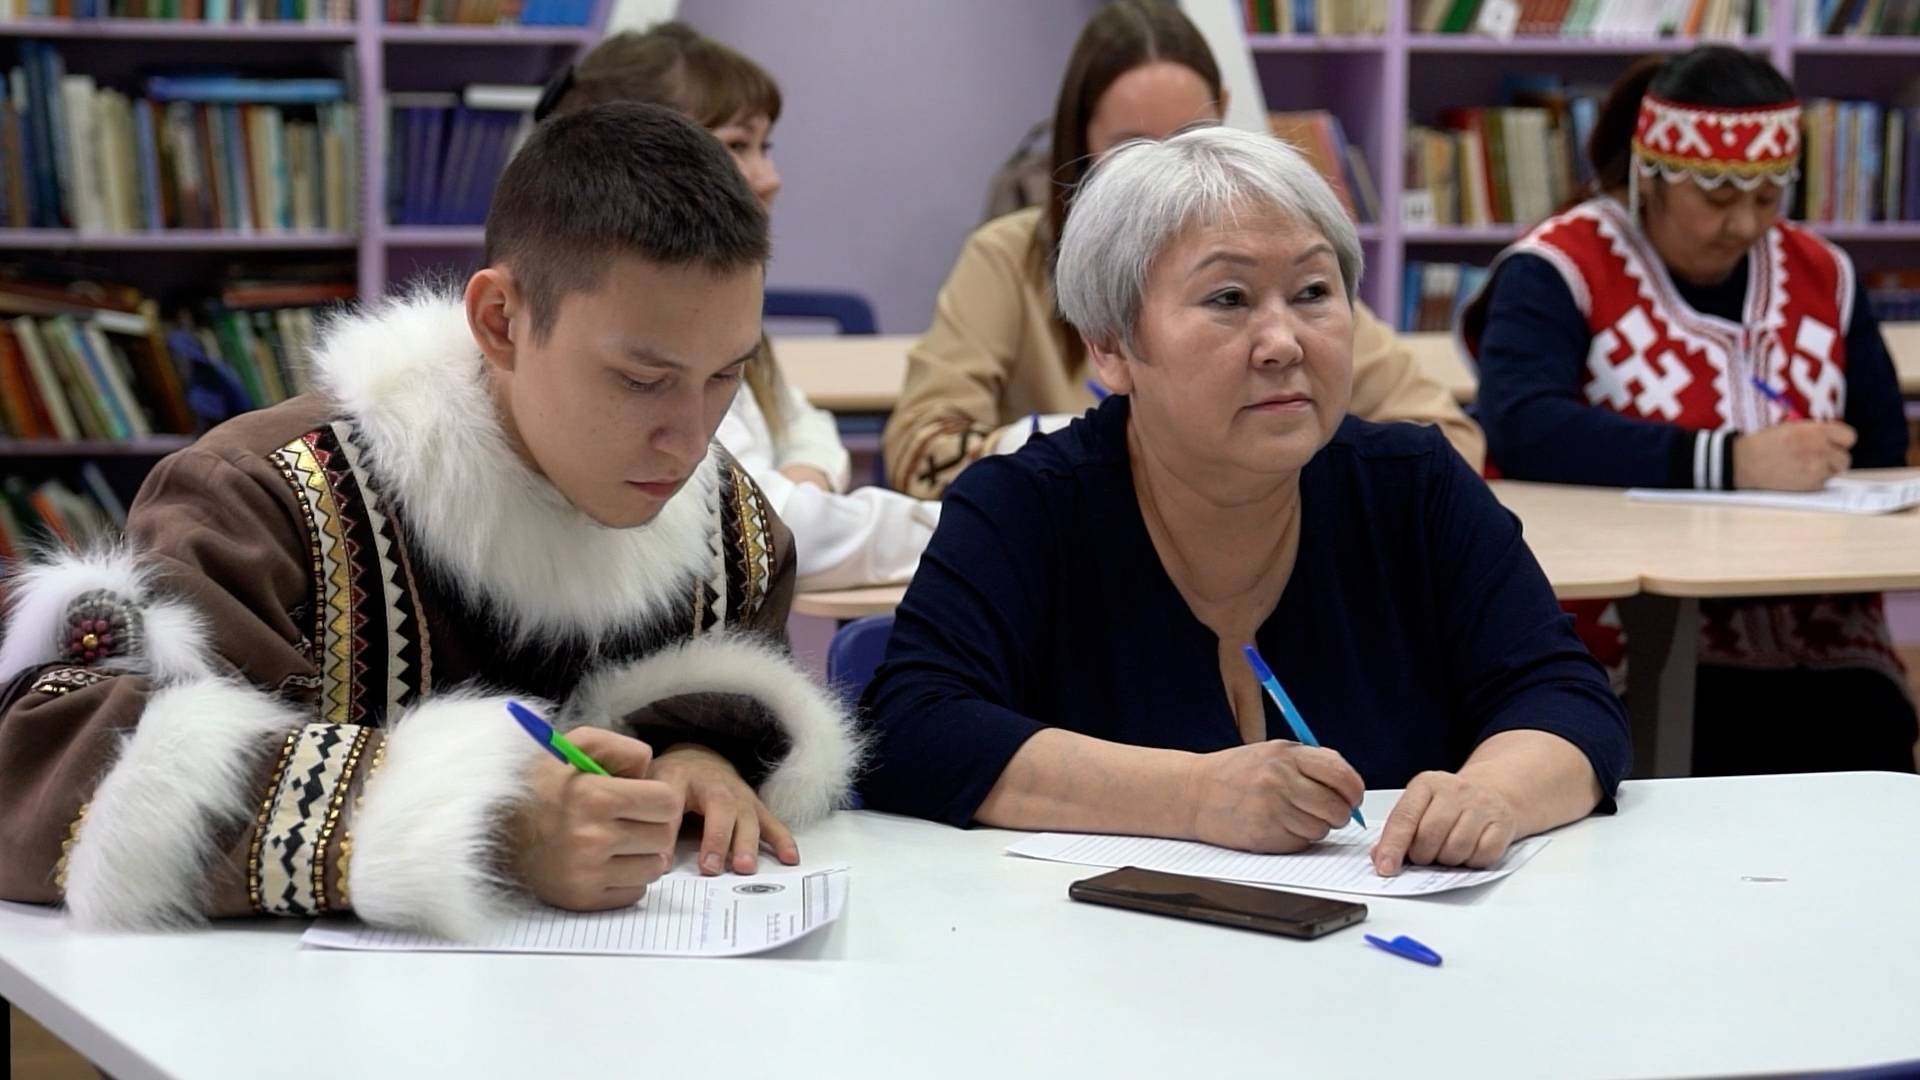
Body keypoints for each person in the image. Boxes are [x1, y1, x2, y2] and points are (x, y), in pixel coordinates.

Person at [0, 104, 860, 938]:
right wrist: (485, 822)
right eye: (641, 380)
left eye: (726, 378)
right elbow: (49, 783)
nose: (690, 439)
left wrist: (699, 762)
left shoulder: (729, 529)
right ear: (500, 321)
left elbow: (730, 711)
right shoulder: (262, 500)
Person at [861, 126, 1629, 874]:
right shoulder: (1025, 505)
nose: (1283, 341)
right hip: (1097, 970)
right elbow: (914, 728)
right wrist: (1193, 796)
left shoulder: (1414, 488)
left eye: (1314, 293)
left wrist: (1491, 794)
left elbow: (1566, 698)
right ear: (1112, 346)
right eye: (1228, 298)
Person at [1462, 47, 1917, 775]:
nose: (1743, 225)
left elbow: (1881, 447)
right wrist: (1731, 461)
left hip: (1821, 636)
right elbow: (1521, 427)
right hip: (1623, 641)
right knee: (1699, 751)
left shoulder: (1822, 274)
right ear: (1652, 176)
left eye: (1768, 198)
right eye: (1716, 196)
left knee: (1868, 747)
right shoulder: (1558, 270)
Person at [882, 0, 1483, 500]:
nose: (1166, 174)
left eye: (1192, 138)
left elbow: (1449, 439)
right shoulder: (1009, 257)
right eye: (1131, 149)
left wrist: (1273, 467)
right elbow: (921, 448)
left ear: (1224, 111)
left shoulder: (1279, 254)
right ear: (1080, 137)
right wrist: (1097, 457)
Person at [541, 24, 939, 591]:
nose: (769, 178)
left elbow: (806, 428)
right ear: (639, 159)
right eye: (736, 145)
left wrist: (804, 482)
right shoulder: (632, 330)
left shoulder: (716, 312)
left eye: (765, 146)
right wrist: (962, 530)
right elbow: (755, 525)